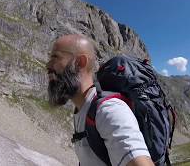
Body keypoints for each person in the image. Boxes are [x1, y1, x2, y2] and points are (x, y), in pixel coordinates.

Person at [46, 34, 154, 166]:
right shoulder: (82, 108)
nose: (48, 65)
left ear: (80, 63)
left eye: (55, 57)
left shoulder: (110, 110)